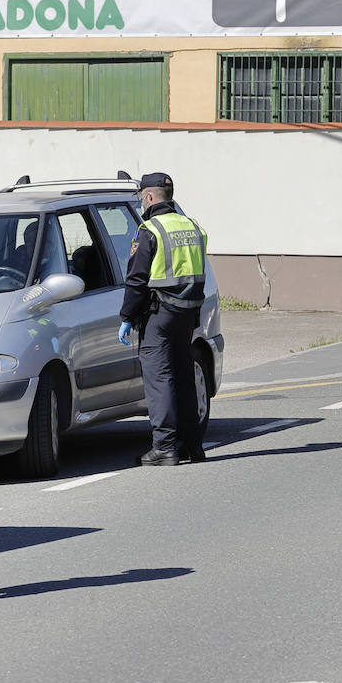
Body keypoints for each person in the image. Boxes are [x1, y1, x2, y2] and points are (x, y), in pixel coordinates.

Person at [118, 173, 208, 466]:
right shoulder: (193, 226)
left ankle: (165, 446)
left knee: (159, 379)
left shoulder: (150, 230)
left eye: (141, 196)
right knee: (183, 377)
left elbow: (136, 279)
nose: (140, 201)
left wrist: (127, 317)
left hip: (160, 314)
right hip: (188, 313)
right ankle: (192, 446)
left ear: (150, 197)